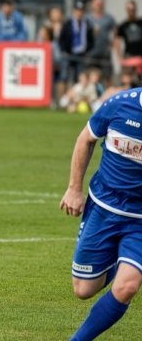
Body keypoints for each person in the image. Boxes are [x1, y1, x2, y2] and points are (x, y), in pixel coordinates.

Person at [59, 85, 142, 341]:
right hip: (104, 207)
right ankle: (122, 260)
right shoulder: (119, 104)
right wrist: (74, 189)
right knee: (83, 289)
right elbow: (85, 139)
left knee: (128, 285)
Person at [58, 0, 95, 100]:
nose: (79, 12)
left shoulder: (87, 24)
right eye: (77, 10)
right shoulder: (68, 23)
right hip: (68, 54)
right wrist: (63, 50)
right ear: (74, 11)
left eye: (81, 10)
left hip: (81, 55)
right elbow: (61, 38)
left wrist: (88, 50)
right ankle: (62, 100)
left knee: (79, 78)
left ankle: (76, 99)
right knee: (64, 77)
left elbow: (91, 39)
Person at [85, 0, 116, 85]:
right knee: (91, 76)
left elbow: (115, 33)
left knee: (107, 76)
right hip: (91, 52)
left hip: (105, 52)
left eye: (101, 4)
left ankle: (109, 96)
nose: (99, 5)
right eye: (97, 4)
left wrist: (112, 45)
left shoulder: (109, 18)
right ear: (92, 5)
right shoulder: (87, 18)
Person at [115, 0, 142, 65]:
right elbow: (117, 42)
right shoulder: (123, 25)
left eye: (133, 9)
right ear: (126, 10)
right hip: (129, 56)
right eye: (129, 9)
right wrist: (120, 58)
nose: (132, 12)